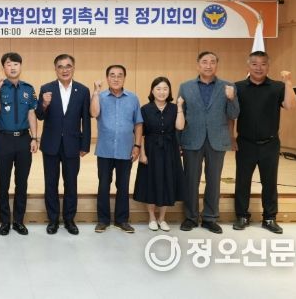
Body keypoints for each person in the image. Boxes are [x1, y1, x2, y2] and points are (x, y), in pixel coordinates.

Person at [233, 51, 296, 234]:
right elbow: (230, 114)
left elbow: (290, 106)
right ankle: (242, 216)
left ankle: (269, 218)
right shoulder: (238, 87)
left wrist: (288, 83)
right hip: (245, 143)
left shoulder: (277, 87)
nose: (258, 68)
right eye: (254, 64)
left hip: (270, 144)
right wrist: (231, 137)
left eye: (263, 64)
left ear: (268, 66)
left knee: (269, 182)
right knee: (242, 181)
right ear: (248, 66)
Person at [178, 51, 239, 234]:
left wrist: (232, 98)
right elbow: (180, 115)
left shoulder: (228, 86)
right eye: (204, 62)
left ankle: (210, 218)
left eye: (212, 62)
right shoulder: (185, 87)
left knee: (214, 180)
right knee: (191, 180)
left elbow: (234, 114)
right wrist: (178, 141)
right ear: (198, 65)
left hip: (217, 140)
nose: (208, 65)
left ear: (217, 65)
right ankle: (190, 217)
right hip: (192, 139)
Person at [36, 54, 91, 235]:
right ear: (55, 69)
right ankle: (53, 220)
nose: (64, 70)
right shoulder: (46, 88)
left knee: (71, 184)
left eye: (68, 66)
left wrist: (85, 145)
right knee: (51, 184)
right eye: (60, 66)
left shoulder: (82, 90)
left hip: (72, 144)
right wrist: (44, 104)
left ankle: (69, 219)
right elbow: (39, 116)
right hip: (51, 144)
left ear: (73, 68)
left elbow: (86, 120)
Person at [0, 52, 38, 236]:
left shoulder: (28, 88)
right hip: (4, 139)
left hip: (24, 139)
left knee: (21, 182)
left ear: (20, 66)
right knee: (3, 182)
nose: (13, 67)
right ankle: (4, 221)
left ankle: (18, 221)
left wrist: (35, 138)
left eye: (16, 64)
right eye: (9, 64)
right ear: (3, 68)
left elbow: (32, 114)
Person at [92, 65, 143, 234]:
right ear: (107, 78)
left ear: (124, 78)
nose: (116, 78)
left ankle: (122, 220)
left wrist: (137, 145)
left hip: (125, 149)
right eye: (112, 75)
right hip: (105, 149)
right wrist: (96, 92)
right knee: (103, 186)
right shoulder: (100, 97)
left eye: (119, 75)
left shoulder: (133, 98)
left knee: (123, 186)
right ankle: (103, 220)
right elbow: (94, 113)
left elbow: (138, 123)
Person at [133, 77, 185, 232]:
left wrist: (180, 106)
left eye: (165, 89)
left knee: (167, 181)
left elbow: (180, 126)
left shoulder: (174, 108)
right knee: (151, 182)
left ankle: (162, 218)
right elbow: (141, 134)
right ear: (152, 91)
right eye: (158, 89)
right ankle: (152, 217)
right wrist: (142, 154)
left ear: (169, 91)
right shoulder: (145, 109)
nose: (162, 92)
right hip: (151, 150)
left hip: (170, 150)